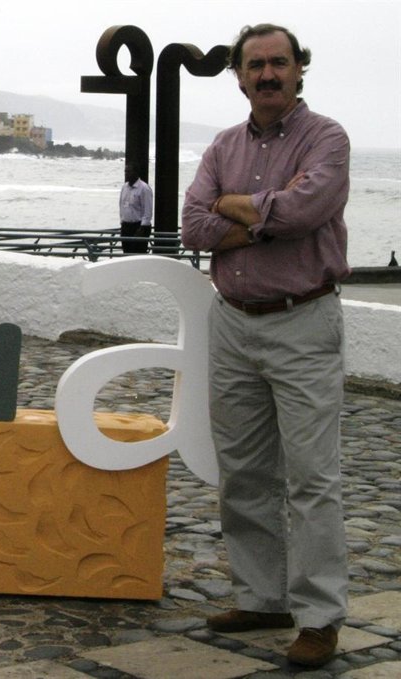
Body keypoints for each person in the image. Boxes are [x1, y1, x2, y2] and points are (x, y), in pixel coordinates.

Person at [180, 24, 350, 669]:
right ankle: (262, 597)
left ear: (300, 68)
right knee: (244, 473)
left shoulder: (326, 138)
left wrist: (236, 206)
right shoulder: (224, 144)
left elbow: (306, 211)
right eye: (256, 65)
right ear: (239, 76)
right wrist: (263, 218)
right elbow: (193, 226)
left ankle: (319, 616)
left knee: (312, 479)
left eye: (280, 62)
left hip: (302, 321)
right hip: (232, 323)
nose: (268, 74)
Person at [118, 162, 153, 253]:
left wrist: (142, 227)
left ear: (136, 173)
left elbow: (148, 210)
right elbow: (121, 205)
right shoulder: (124, 187)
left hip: (139, 227)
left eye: (129, 171)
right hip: (126, 226)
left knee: (138, 255)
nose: (126, 174)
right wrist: (122, 221)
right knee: (126, 254)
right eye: (125, 171)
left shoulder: (144, 188)